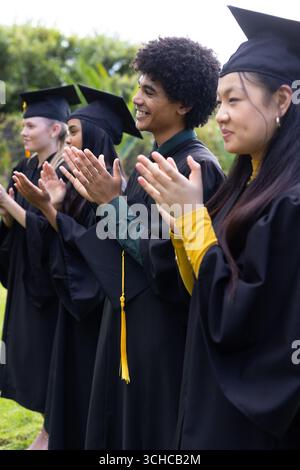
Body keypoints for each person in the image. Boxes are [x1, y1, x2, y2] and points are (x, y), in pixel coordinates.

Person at [135, 7, 300, 449]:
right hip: (200, 377)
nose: (221, 115)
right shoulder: (243, 185)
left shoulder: (288, 201)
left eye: (234, 100)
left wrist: (189, 222)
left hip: (250, 415)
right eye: (220, 100)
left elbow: (247, 315)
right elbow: (203, 292)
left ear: (282, 100)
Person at [61, 38, 224, 449]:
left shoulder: (195, 167)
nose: (136, 99)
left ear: (183, 103)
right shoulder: (149, 164)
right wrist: (106, 203)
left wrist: (111, 205)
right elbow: (120, 250)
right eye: (139, 87)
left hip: (163, 337)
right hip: (126, 326)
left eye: (150, 91)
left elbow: (171, 263)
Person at [12, 84, 142, 449]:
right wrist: (48, 208)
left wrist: (46, 211)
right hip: (75, 310)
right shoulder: (75, 185)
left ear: (96, 139)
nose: (66, 146)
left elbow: (95, 256)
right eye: (66, 135)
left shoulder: (118, 194)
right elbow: (65, 246)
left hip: (100, 312)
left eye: (74, 135)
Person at [0, 85, 80, 450]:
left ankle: (51, 431)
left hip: (53, 281)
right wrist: (5, 214)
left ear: (55, 129)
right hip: (26, 274)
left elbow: (53, 230)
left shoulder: (66, 170)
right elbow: (18, 224)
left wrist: (9, 205)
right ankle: (48, 429)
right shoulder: (25, 165)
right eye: (23, 125)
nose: (24, 131)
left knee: (52, 356)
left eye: (31, 125)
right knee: (28, 353)